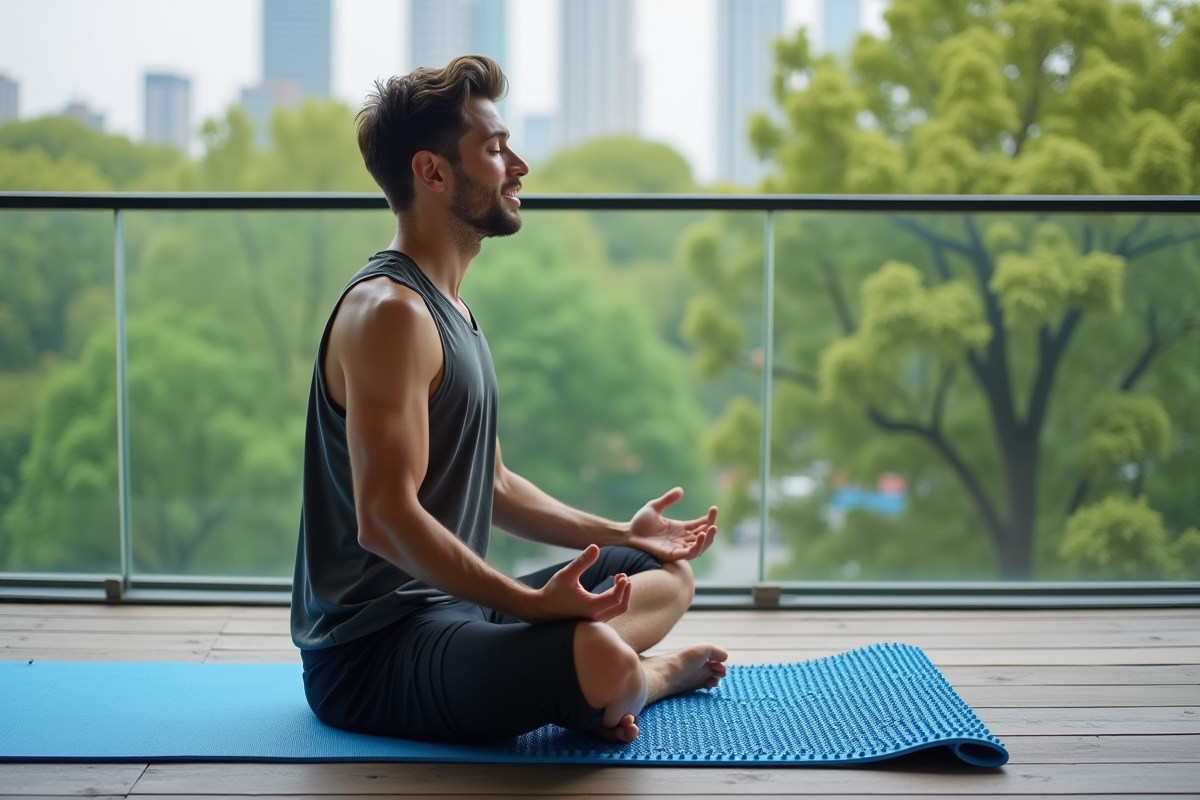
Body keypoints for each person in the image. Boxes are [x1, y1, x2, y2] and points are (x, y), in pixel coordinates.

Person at [291, 55, 727, 745]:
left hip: (461, 611)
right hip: (371, 653)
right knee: (603, 654)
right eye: (494, 150)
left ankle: (603, 682)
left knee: (667, 575)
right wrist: (528, 605)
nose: (519, 165)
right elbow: (384, 518)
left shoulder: (451, 309)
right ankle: (647, 676)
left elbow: (492, 485)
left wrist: (622, 533)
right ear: (432, 172)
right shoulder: (389, 314)